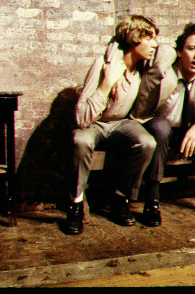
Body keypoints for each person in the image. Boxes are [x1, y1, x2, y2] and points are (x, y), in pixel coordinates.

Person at [130, 23, 195, 227]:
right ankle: (152, 202)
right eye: (192, 48)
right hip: (158, 129)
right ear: (179, 52)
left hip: (188, 132)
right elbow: (161, 51)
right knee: (160, 127)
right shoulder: (163, 69)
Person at [67, 15, 158, 235]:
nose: (154, 44)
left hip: (120, 124)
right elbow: (82, 118)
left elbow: (171, 54)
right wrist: (108, 83)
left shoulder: (142, 67)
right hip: (95, 124)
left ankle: (120, 200)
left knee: (147, 142)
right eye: (149, 38)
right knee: (80, 139)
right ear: (134, 38)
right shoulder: (103, 65)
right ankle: (75, 205)